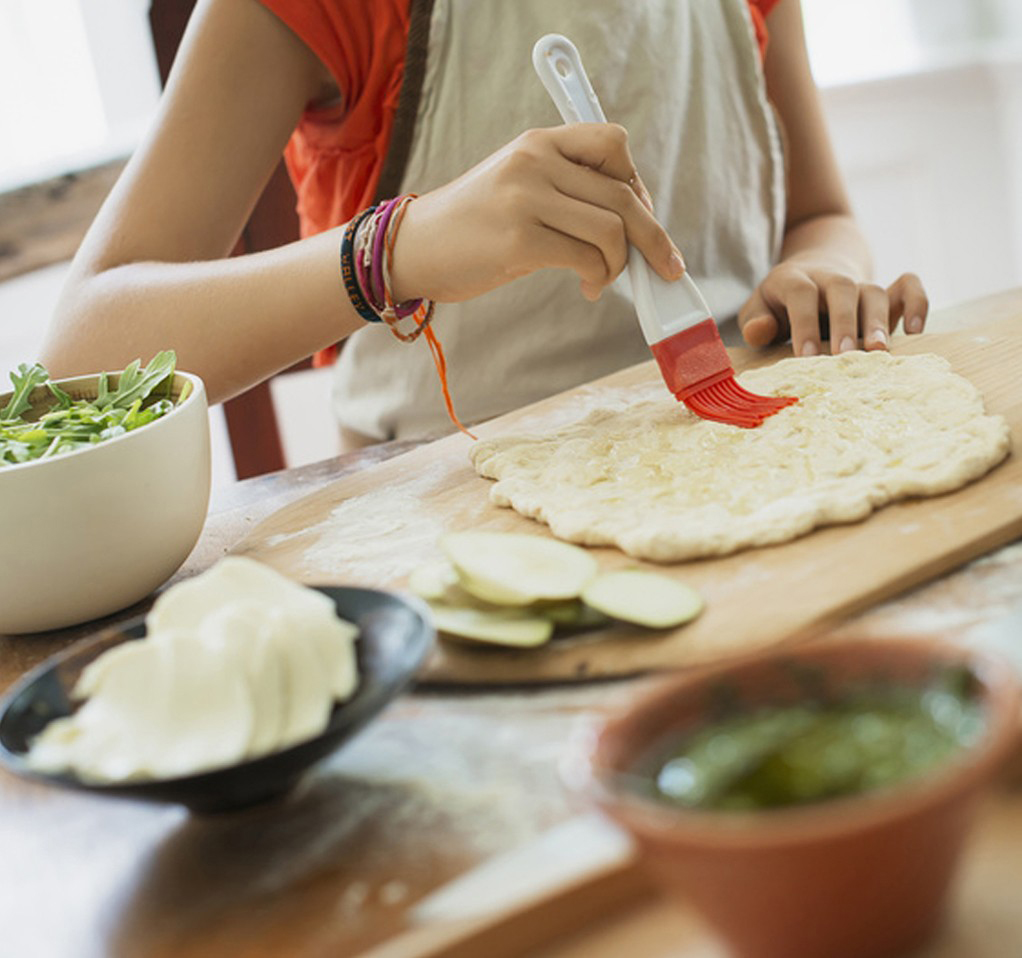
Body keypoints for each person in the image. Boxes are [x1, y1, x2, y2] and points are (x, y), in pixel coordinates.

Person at [41, 0, 928, 449]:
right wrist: (395, 250)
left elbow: (822, 215)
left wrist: (817, 270)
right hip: (444, 515)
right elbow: (83, 355)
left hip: (746, 441)